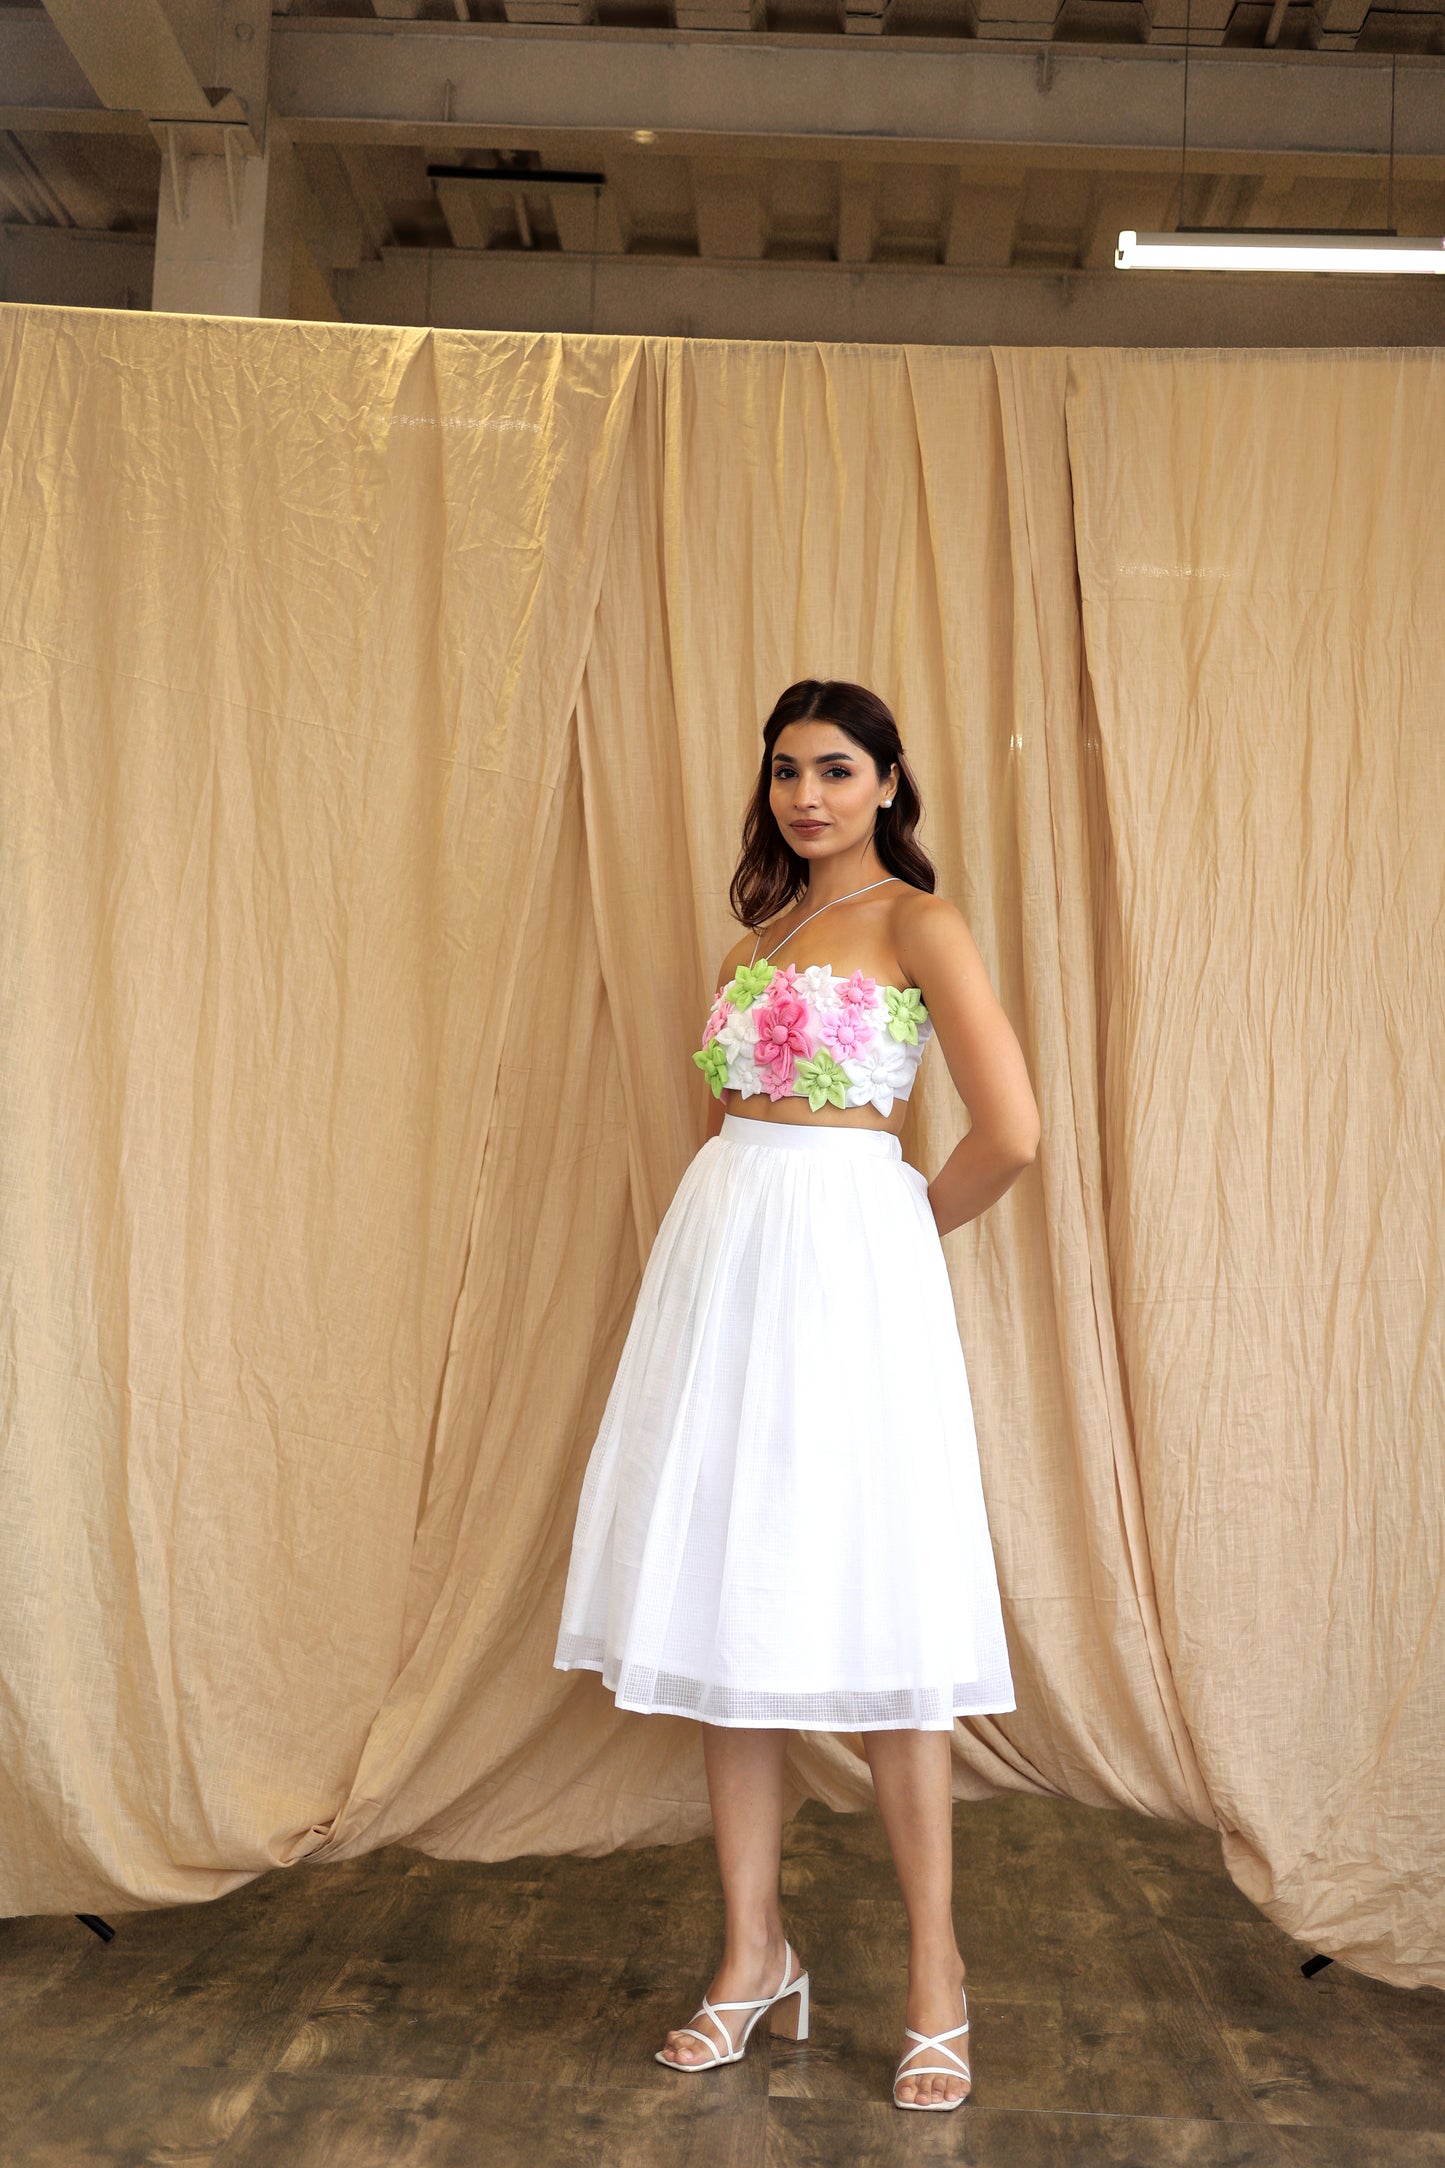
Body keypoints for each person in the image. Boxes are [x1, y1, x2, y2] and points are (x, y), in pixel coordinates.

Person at [553, 678, 1040, 2111]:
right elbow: (729, 1126)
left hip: (848, 1264)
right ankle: (749, 1952)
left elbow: (1008, 1132)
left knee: (884, 1605)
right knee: (729, 1591)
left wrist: (890, 1226)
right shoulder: (754, 938)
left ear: (888, 782)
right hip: (725, 1257)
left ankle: (935, 1979)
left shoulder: (916, 924)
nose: (805, 796)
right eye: (783, 772)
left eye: (835, 769)